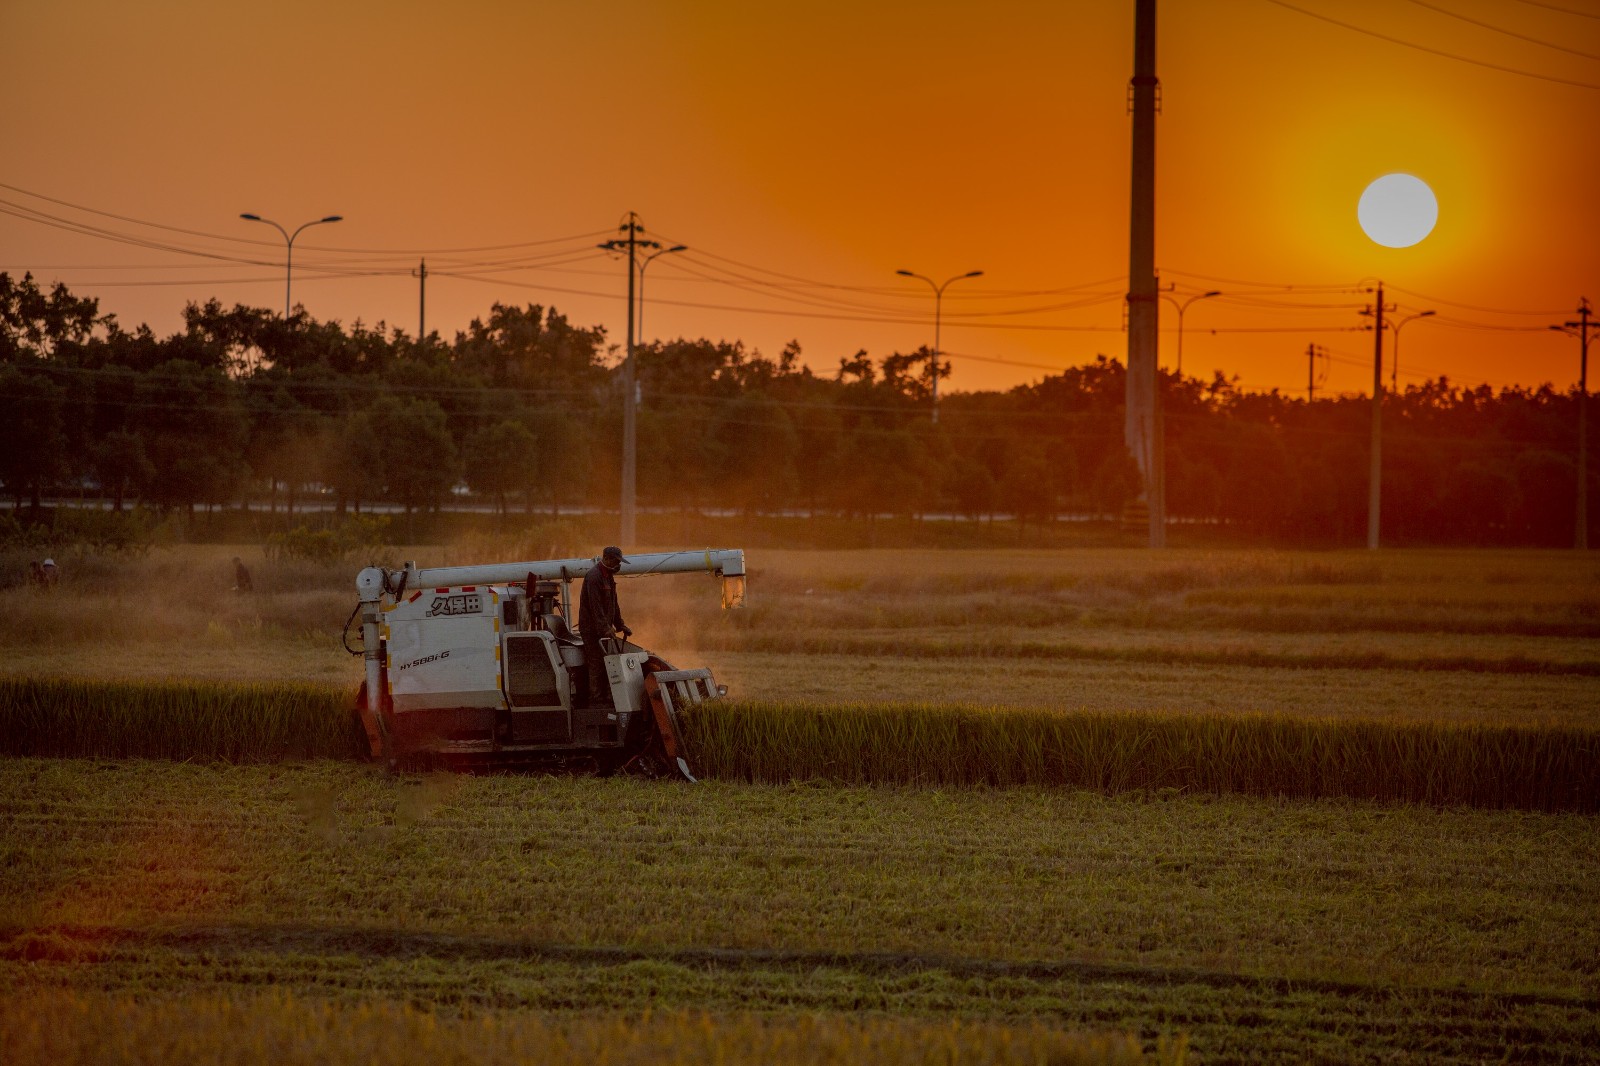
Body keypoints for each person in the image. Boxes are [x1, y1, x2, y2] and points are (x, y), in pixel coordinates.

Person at [578, 546, 632, 706]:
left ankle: (608, 697)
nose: (618, 565)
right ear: (607, 559)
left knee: (607, 661)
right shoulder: (594, 577)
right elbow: (595, 607)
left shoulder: (608, 577)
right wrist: (605, 628)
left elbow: (613, 603)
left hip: (602, 629)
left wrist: (620, 624)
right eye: (616, 561)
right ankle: (596, 701)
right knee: (596, 662)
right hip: (590, 629)